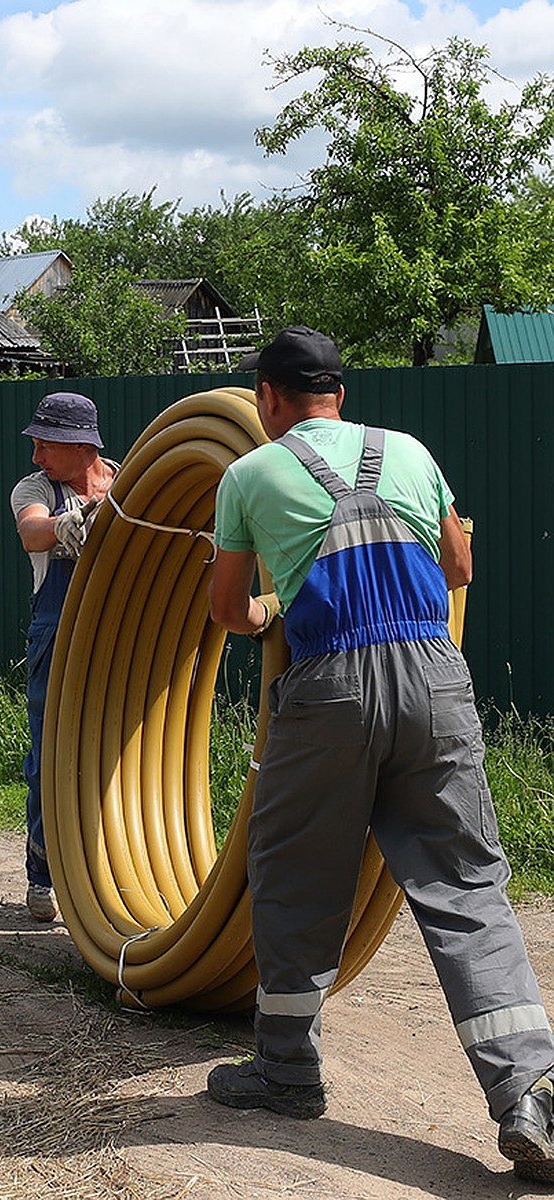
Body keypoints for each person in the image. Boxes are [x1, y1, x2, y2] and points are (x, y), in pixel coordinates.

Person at [205, 326, 554, 1182]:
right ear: (340, 395)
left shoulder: (248, 473)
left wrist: (270, 612)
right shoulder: (410, 451)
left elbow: (227, 611)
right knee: (468, 886)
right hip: (437, 682)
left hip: (328, 691)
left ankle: (287, 1074)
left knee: (294, 877)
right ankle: (532, 1094)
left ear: (269, 398)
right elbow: (460, 569)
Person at [11, 392, 117, 922]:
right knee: (49, 759)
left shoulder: (127, 484)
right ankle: (43, 875)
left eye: (44, 444)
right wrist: (64, 527)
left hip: (123, 635)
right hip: (57, 632)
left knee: (120, 755)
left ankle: (114, 873)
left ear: (81, 445)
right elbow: (31, 530)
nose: (36, 456)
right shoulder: (36, 490)